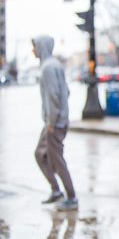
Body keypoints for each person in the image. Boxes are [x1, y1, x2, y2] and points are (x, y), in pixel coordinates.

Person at [32, 35, 78, 211]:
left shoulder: (48, 68)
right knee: (41, 154)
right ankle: (56, 191)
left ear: (42, 47)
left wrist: (52, 121)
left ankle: (71, 196)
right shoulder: (54, 65)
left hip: (54, 123)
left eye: (35, 46)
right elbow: (65, 92)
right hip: (56, 121)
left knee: (57, 160)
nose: (33, 50)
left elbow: (54, 96)